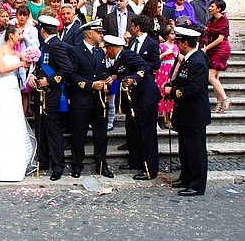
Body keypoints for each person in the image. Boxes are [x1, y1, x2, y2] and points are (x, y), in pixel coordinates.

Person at [104, 35, 161, 180]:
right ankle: (135, 161)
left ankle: (150, 168)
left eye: (106, 49)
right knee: (133, 130)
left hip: (146, 98)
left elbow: (144, 67)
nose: (106, 52)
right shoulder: (119, 59)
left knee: (146, 134)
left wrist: (134, 79)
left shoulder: (127, 55)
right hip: (135, 101)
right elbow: (114, 70)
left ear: (111, 49)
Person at [163, 27, 211, 197]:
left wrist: (172, 91)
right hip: (185, 113)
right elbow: (182, 79)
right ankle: (186, 177)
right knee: (184, 150)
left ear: (185, 43)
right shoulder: (188, 59)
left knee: (195, 151)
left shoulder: (198, 61)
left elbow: (193, 89)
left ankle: (197, 185)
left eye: (179, 42)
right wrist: (171, 85)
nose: (177, 45)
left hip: (194, 114)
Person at [0, 25, 35, 181]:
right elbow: (1, 68)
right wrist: (21, 64)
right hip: (1, 86)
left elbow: (28, 60)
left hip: (13, 88)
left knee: (13, 121)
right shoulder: (0, 49)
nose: (21, 37)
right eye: (19, 34)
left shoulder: (17, 53)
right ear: (11, 35)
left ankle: (16, 162)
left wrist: (30, 60)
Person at [66, 19, 114, 179]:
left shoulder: (100, 52)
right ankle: (77, 164)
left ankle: (101, 164)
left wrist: (107, 78)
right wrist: (90, 85)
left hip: (99, 100)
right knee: (78, 134)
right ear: (89, 33)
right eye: (99, 33)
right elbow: (72, 75)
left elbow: (102, 71)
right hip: (82, 99)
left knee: (101, 135)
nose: (101, 35)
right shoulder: (75, 51)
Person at [27, 15, 70, 180]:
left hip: (52, 94)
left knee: (53, 130)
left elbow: (67, 69)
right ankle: (43, 160)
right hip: (40, 92)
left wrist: (49, 81)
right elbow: (40, 66)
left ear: (42, 30)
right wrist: (33, 76)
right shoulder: (45, 45)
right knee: (41, 128)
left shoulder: (57, 46)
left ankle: (58, 166)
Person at [200, 0, 232, 113]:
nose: (209, 8)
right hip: (212, 49)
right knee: (215, 77)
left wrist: (206, 48)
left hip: (221, 49)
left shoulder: (223, 20)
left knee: (210, 77)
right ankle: (219, 103)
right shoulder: (211, 20)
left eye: (212, 6)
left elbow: (220, 38)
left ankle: (225, 98)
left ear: (219, 8)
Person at [156, 25, 178, 117]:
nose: (174, 36)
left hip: (172, 69)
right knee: (161, 91)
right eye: (172, 34)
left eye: (174, 34)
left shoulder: (176, 46)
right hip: (163, 69)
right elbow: (157, 59)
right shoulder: (161, 45)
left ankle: (169, 117)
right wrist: (165, 53)